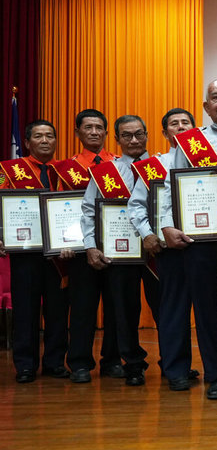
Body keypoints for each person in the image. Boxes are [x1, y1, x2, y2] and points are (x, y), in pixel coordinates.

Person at [161, 80, 217, 399]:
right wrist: (165, 226)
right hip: (200, 241)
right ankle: (216, 373)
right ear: (206, 107)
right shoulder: (189, 144)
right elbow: (168, 192)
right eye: (216, 97)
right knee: (206, 309)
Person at [76, 115, 154, 386]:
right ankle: (132, 363)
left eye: (138, 134)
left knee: (165, 309)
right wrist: (90, 246)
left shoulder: (160, 166)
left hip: (157, 252)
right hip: (120, 253)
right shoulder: (106, 172)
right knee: (124, 309)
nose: (134, 140)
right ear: (117, 139)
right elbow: (88, 211)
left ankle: (172, 363)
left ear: (146, 135)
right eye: (126, 135)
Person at [127, 108, 201, 390]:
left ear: (195, 129)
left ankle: (216, 368)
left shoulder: (207, 161)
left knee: (207, 312)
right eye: (174, 124)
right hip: (169, 250)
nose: (180, 127)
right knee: (173, 310)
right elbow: (136, 207)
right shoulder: (155, 164)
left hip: (205, 247)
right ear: (164, 133)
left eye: (186, 123)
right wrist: (147, 234)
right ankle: (176, 369)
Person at [0, 120, 69, 383]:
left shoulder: (65, 171)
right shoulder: (8, 170)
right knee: (26, 310)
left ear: (55, 141)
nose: (44, 140)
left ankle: (54, 362)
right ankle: (25, 365)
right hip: (25, 254)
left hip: (60, 256)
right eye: (38, 136)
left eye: (50, 136)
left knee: (58, 310)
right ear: (27, 143)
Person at [61, 109, 123, 384]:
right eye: (88, 127)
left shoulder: (121, 165)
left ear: (106, 132)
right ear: (78, 133)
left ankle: (112, 360)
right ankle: (80, 363)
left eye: (99, 127)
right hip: (79, 248)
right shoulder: (63, 169)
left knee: (115, 308)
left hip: (116, 247)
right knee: (83, 308)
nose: (95, 132)